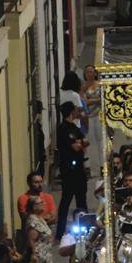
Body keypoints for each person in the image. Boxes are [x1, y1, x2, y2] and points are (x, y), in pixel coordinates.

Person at [54, 102, 88, 240]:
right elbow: (75, 147)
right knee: (66, 201)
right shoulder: (63, 129)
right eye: (74, 110)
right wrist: (80, 144)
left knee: (82, 201)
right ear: (70, 112)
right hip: (69, 171)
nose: (76, 112)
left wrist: (80, 143)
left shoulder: (74, 127)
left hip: (79, 170)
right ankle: (60, 232)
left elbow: (85, 141)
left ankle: (86, 228)